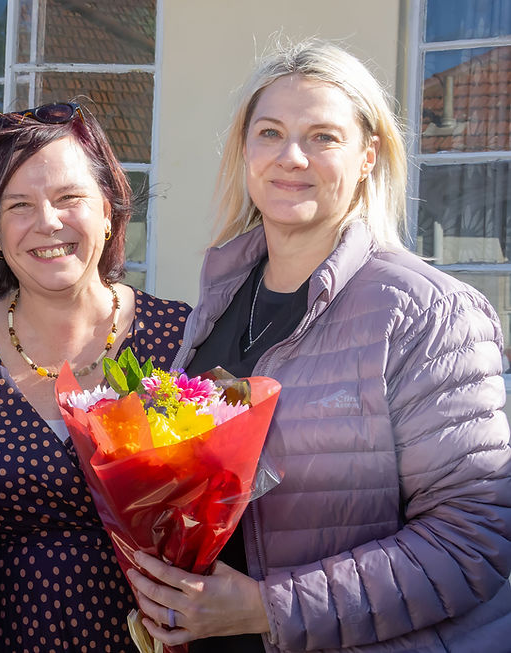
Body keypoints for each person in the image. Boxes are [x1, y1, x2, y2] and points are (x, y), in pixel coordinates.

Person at [126, 39, 511, 651]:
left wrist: (264, 609)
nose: (292, 157)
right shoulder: (217, 301)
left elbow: (472, 540)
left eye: (323, 137)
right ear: (245, 152)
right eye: (270, 133)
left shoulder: (427, 313)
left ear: (367, 157)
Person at [0, 101, 191, 650]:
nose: (47, 222)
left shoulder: (184, 337)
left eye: (69, 198)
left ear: (110, 212)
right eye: (18, 205)